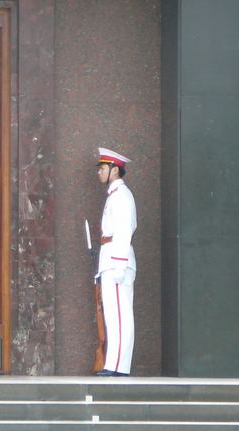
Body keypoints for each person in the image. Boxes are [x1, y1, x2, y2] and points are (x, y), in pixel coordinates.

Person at [95, 147, 136, 377]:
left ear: (114, 170)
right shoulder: (114, 196)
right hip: (110, 260)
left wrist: (119, 264)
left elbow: (123, 231)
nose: (99, 172)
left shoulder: (122, 196)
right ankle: (113, 364)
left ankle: (119, 367)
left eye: (102, 168)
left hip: (117, 261)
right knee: (112, 315)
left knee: (120, 315)